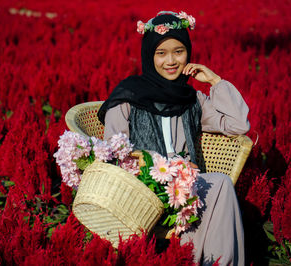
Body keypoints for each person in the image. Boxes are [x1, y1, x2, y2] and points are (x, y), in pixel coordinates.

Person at [97, 11, 249, 266]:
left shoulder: (191, 99)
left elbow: (238, 125)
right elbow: (114, 151)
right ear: (149, 55)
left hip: (186, 185)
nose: (171, 60)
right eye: (161, 53)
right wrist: (152, 174)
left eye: (179, 51)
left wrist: (214, 80)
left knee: (220, 184)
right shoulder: (128, 96)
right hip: (143, 188)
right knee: (213, 188)